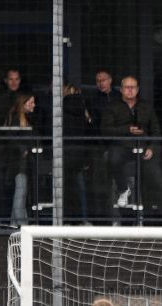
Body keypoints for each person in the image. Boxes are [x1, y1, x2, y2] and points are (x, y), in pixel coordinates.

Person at [101, 75, 162, 226]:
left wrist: (152, 147)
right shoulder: (112, 106)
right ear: (121, 89)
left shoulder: (146, 106)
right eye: (127, 87)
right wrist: (127, 129)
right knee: (112, 159)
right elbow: (105, 130)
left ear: (137, 89)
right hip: (121, 147)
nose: (130, 90)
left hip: (143, 148)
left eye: (133, 87)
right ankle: (124, 190)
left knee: (158, 181)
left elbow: (156, 130)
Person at [86, 69, 117, 223]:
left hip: (118, 147)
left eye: (103, 80)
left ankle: (118, 217)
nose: (101, 83)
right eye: (98, 80)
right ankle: (99, 218)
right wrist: (101, 146)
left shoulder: (119, 97)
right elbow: (92, 126)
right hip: (99, 147)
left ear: (110, 80)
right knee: (99, 182)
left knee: (117, 182)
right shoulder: (93, 99)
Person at [4, 93, 37, 226]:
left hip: (22, 162)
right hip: (19, 163)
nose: (34, 105)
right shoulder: (17, 119)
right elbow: (10, 138)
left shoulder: (25, 119)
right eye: (31, 102)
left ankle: (14, 224)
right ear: (23, 104)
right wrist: (23, 149)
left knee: (21, 192)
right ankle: (23, 225)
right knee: (21, 193)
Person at [62, 83, 92, 223]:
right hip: (80, 155)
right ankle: (83, 218)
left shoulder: (59, 111)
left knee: (64, 188)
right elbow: (88, 137)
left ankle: (64, 219)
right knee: (80, 187)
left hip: (63, 155)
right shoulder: (84, 112)